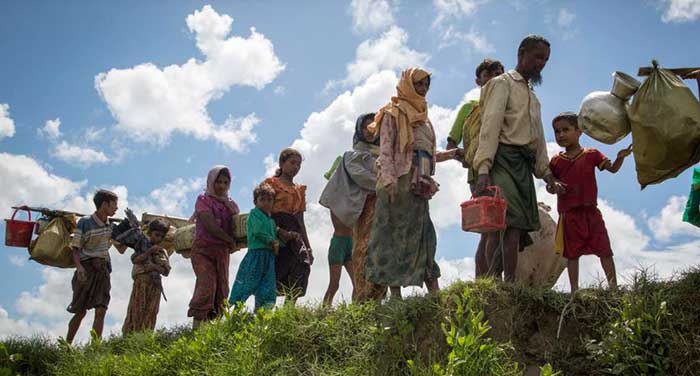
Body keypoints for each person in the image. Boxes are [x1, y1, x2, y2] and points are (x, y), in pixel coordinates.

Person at [472, 35, 566, 282]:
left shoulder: (533, 98)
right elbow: (490, 127)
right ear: (521, 53)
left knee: (518, 227)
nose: (541, 63)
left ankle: (504, 284)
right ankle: (498, 283)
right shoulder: (502, 84)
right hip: (502, 158)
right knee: (506, 224)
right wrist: (483, 169)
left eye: (545, 60)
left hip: (523, 166)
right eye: (537, 57)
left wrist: (546, 174)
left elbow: (538, 138)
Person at [365, 67, 457, 300]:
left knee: (424, 232)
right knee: (394, 235)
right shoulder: (393, 113)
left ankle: (433, 289)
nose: (423, 89)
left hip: (420, 181)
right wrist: (389, 181)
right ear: (407, 84)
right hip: (399, 180)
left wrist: (452, 154)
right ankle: (395, 294)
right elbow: (386, 149)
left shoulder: (423, 118)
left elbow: (427, 152)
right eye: (419, 84)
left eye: (426, 85)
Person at [548, 112, 632, 292]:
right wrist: (554, 185)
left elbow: (612, 169)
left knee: (604, 250)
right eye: (556, 132)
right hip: (569, 214)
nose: (561, 135)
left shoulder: (592, 154)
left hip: (591, 212)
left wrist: (621, 157)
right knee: (572, 254)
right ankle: (574, 291)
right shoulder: (555, 161)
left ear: (579, 131)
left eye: (565, 130)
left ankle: (613, 288)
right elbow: (549, 185)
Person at [445, 58, 505, 278]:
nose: (493, 78)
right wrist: (469, 160)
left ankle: (489, 279)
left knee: (501, 228)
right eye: (488, 74)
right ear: (478, 80)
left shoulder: (506, 106)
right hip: (479, 174)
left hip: (504, 169)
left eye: (498, 74)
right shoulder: (470, 109)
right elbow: (451, 145)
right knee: (489, 228)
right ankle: (487, 279)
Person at [319, 113, 381, 304]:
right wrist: (384, 183)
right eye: (366, 127)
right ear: (359, 130)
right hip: (365, 212)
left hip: (382, 209)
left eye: (375, 127)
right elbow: (362, 178)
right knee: (363, 254)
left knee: (380, 252)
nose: (370, 131)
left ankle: (376, 300)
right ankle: (361, 304)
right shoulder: (353, 156)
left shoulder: (384, 155)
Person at [228, 183, 299, 310]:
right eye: (262, 200)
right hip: (256, 256)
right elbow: (258, 231)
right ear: (255, 202)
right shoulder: (254, 214)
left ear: (273, 202)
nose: (266, 203)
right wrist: (272, 241)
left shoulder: (271, 221)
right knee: (247, 283)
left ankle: (262, 315)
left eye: (269, 200)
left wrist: (288, 239)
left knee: (267, 286)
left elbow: (276, 237)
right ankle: (236, 311)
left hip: (268, 257)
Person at [66, 189, 123, 344]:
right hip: (86, 269)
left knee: (101, 309)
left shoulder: (110, 226)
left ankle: (95, 346)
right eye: (114, 205)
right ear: (104, 204)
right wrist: (80, 268)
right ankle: (67, 345)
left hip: (103, 270)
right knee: (80, 311)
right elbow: (75, 248)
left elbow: (122, 249)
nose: (116, 208)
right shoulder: (85, 222)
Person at [188, 166, 240, 329]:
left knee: (221, 288)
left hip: (222, 252)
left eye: (226, 182)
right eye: (219, 182)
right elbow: (209, 224)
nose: (222, 186)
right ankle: (197, 328)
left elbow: (237, 224)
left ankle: (213, 329)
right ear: (211, 181)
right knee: (207, 284)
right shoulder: (203, 200)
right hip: (203, 250)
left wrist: (234, 241)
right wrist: (228, 239)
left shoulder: (230, 205)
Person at [264, 148, 313, 304]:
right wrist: (277, 231)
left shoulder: (299, 190)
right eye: (292, 163)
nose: (296, 167)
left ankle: (289, 307)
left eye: (299, 164)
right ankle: (264, 309)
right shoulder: (271, 184)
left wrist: (308, 246)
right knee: (276, 268)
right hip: (275, 229)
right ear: (281, 163)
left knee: (302, 263)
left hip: (294, 232)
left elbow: (300, 219)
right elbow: (263, 212)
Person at [122, 219, 171, 335]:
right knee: (136, 309)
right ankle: (130, 336)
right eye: (156, 235)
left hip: (155, 284)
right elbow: (135, 259)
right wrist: (149, 252)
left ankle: (145, 336)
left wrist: (153, 267)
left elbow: (166, 271)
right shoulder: (141, 245)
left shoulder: (162, 251)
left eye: (161, 236)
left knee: (151, 311)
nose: (158, 239)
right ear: (150, 233)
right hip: (141, 282)